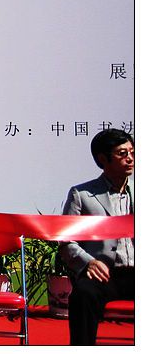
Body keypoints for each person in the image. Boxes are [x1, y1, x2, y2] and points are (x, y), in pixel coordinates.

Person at [60, 128, 134, 345]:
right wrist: (88, 262)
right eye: (122, 154)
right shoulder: (82, 195)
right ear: (103, 159)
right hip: (103, 274)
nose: (130, 159)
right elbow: (66, 241)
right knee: (83, 294)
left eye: (132, 152)